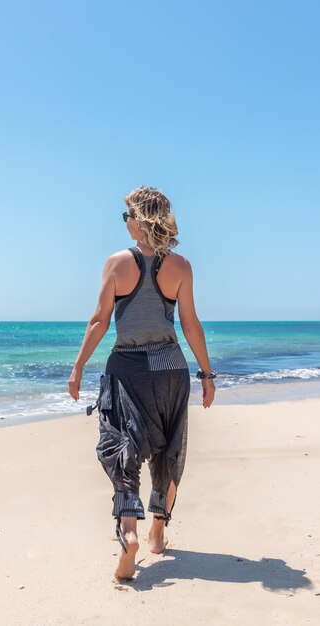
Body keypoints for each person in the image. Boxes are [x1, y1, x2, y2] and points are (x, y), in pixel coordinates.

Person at [68, 185, 216, 582]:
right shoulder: (181, 266)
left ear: (141, 219)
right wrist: (206, 374)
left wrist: (78, 366)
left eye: (126, 215)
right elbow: (190, 324)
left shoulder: (118, 262)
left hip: (127, 371)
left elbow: (100, 321)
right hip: (171, 369)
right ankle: (157, 532)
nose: (125, 222)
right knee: (169, 451)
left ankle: (130, 534)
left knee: (122, 452)